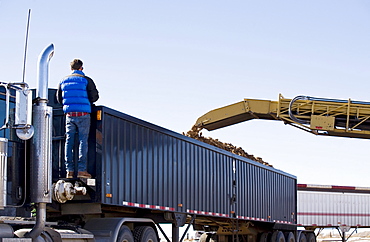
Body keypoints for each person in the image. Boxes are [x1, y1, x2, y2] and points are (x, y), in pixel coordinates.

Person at [56, 59, 99, 179]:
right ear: (81, 68)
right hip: (83, 114)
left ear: (71, 69)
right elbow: (94, 97)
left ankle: (69, 171)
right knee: (82, 142)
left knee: (69, 142)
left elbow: (59, 99)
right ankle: (81, 171)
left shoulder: (63, 81)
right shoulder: (86, 80)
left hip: (69, 115)